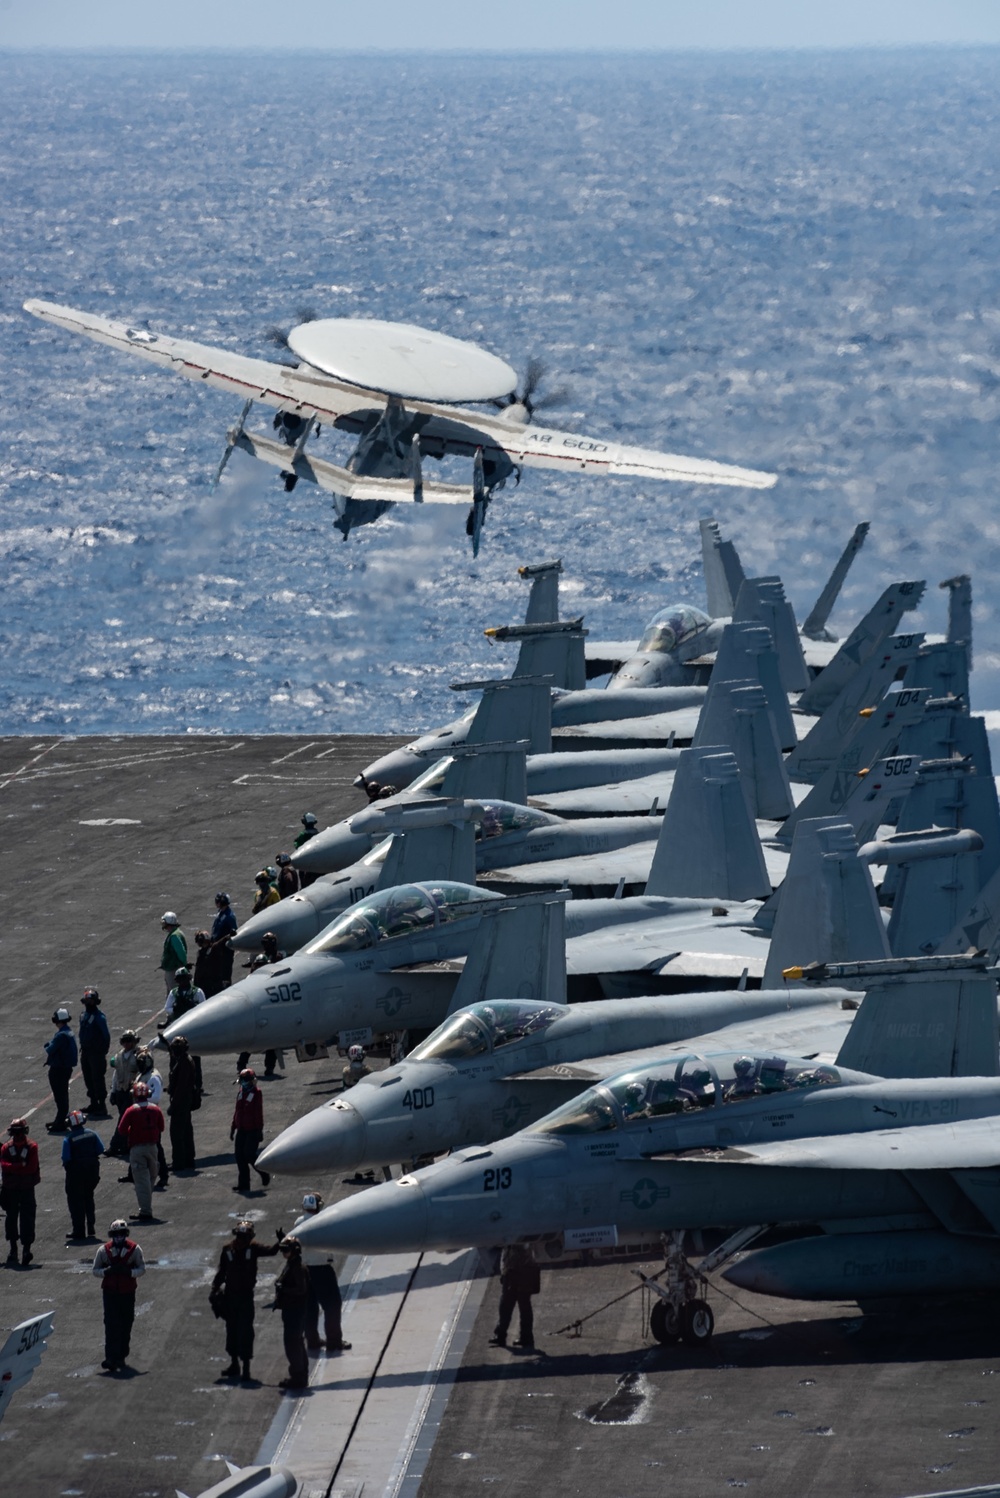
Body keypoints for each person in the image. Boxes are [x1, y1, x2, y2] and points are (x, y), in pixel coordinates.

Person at [210, 1218, 281, 1382]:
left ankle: (246, 1367)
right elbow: (222, 1271)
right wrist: (215, 1288)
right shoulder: (227, 1249)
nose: (242, 1241)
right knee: (232, 1329)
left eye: (245, 1238)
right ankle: (235, 1364)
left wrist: (280, 1241)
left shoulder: (253, 1248)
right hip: (230, 1296)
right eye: (241, 1237)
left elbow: (271, 1251)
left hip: (246, 1296)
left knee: (246, 1330)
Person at [300, 1193, 351, 1354]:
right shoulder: (322, 1222)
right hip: (321, 1269)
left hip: (305, 1270)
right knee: (332, 1306)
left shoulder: (298, 1223)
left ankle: (313, 1341)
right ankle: (334, 1342)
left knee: (310, 1308)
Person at [93, 1218, 145, 1372]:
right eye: (116, 1235)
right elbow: (94, 1270)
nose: (119, 1238)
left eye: (121, 1235)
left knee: (126, 1323)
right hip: (110, 1293)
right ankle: (110, 1358)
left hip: (128, 1293)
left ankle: (121, 1355)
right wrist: (106, 1272)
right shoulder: (103, 1251)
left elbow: (142, 1269)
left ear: (126, 1235)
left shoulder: (135, 1250)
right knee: (110, 1324)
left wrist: (130, 1272)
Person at [118, 1080, 165, 1221]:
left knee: (141, 1180)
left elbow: (121, 1130)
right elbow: (161, 1127)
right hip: (152, 1147)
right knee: (150, 1177)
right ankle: (146, 1207)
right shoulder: (156, 1109)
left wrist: (134, 1130)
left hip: (137, 1148)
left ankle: (145, 1211)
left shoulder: (131, 1110)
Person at [1, 1118, 39, 1266]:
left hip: (24, 1188)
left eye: (19, 1133)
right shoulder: (6, 1148)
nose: (17, 1136)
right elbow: (5, 1166)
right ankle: (14, 1249)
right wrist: (20, 1166)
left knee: (26, 1219)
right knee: (12, 1219)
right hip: (14, 1189)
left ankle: (25, 1250)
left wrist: (13, 1168)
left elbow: (31, 1167)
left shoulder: (31, 1147)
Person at [160, 965, 206, 1089]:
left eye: (184, 978)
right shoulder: (173, 993)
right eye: (180, 979)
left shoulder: (197, 992)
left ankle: (197, 1084)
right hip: (177, 1027)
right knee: (174, 1057)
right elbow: (167, 1008)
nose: (182, 981)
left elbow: (204, 1007)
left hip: (193, 1027)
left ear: (188, 978)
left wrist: (193, 1007)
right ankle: (173, 1084)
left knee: (194, 1056)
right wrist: (175, 1009)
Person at [274, 1234, 310, 1391]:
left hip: (294, 1311)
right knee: (297, 1343)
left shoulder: (297, 1268)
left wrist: (284, 1289)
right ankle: (300, 1375)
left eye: (286, 1250)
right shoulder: (293, 1263)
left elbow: (301, 1289)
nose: (284, 1253)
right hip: (293, 1310)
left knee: (292, 1344)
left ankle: (298, 1377)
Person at [62, 1109, 105, 1241]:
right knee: (88, 1197)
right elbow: (101, 1149)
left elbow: (66, 1158)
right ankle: (91, 1226)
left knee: (75, 1202)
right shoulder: (92, 1134)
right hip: (92, 1172)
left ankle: (79, 1230)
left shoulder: (68, 1139)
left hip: (76, 1174)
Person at [489, 1244, 540, 1351]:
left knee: (513, 1306)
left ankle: (507, 1335)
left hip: (517, 1272)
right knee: (515, 1306)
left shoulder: (518, 1240)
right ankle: (521, 1336)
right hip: (516, 1272)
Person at [230, 1069, 271, 1193]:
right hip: (241, 1129)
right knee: (239, 1156)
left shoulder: (256, 1093)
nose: (243, 1083)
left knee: (249, 1154)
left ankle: (263, 1172)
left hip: (252, 1130)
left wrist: (259, 1130)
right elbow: (237, 1111)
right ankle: (243, 1184)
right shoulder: (241, 1092)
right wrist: (233, 1127)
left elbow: (258, 1113)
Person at [134, 1050, 169, 1188]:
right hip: (139, 1113)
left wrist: (141, 1097)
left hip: (150, 1115)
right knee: (135, 1144)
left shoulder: (153, 1077)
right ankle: (134, 1174)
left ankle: (164, 1175)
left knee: (156, 1146)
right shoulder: (141, 1076)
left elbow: (156, 1097)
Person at [108, 1029, 142, 1161]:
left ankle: (114, 1146)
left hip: (131, 1093)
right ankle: (125, 1145)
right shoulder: (119, 1056)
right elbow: (116, 1075)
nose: (127, 1044)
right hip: (120, 1092)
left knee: (123, 1120)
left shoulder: (139, 1056)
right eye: (125, 1041)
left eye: (130, 1041)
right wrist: (113, 1092)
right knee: (127, 1121)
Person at [167, 1035, 199, 1171]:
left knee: (176, 1133)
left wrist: (173, 1105)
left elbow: (181, 1086)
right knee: (186, 1131)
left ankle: (179, 1162)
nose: (174, 1051)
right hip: (185, 1100)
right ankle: (188, 1159)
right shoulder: (185, 1060)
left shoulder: (184, 1062)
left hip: (182, 1101)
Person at [44, 1007, 78, 1133]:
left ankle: (60, 1121)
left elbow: (49, 1049)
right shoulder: (68, 1032)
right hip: (65, 1068)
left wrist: (47, 1044)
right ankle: (60, 1119)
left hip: (58, 1069)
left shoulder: (61, 1035)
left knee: (60, 1096)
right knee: (63, 1095)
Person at [79, 988, 111, 1117]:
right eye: (87, 1000)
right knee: (88, 1078)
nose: (88, 1003)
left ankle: (102, 1105)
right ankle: (93, 1103)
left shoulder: (99, 1017)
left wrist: (103, 1050)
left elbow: (106, 1035)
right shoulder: (83, 1015)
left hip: (96, 1053)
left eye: (91, 1000)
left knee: (97, 1078)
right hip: (86, 1052)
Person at [193, 928, 230, 999]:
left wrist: (228, 936)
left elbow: (220, 942)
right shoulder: (200, 952)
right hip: (202, 983)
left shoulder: (213, 949)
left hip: (213, 983)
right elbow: (198, 969)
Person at [211, 893, 238, 987]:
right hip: (217, 948)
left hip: (225, 950)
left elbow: (233, 933)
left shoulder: (229, 916)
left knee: (225, 973)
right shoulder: (221, 912)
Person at [159, 911, 187, 992]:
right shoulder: (177, 933)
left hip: (173, 969)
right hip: (173, 968)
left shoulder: (174, 936)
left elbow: (181, 953)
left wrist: (183, 965)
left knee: (174, 992)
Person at [294, 813, 320, 888]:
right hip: (316, 862)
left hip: (305, 861)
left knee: (304, 881)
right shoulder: (317, 833)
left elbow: (298, 845)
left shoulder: (303, 834)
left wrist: (295, 842)